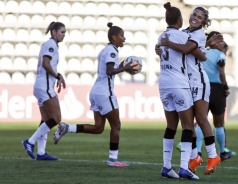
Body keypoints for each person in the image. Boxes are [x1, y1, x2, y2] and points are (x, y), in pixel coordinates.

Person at [52, 22, 138, 167]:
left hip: (96, 91)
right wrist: (126, 67)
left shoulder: (106, 50)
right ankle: (113, 160)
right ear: (114, 37)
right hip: (105, 93)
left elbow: (108, 69)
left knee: (98, 127)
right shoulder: (112, 51)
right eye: (122, 36)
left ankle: (67, 128)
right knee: (116, 125)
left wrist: (122, 66)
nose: (124, 39)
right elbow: (110, 71)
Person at [158, 6, 221, 175]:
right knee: (189, 122)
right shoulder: (185, 32)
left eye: (200, 17)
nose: (195, 18)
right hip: (185, 82)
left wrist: (166, 43)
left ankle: (213, 156)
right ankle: (194, 156)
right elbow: (195, 50)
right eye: (194, 14)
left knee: (200, 118)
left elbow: (189, 50)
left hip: (198, 81)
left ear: (203, 22)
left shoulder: (198, 33)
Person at [158, 2, 204, 180]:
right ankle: (184, 167)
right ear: (179, 20)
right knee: (187, 125)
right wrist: (204, 48)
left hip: (163, 83)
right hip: (179, 83)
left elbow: (161, 51)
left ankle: (166, 167)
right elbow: (197, 53)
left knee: (170, 126)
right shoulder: (182, 36)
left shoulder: (161, 36)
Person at [22, 22, 67, 160]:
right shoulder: (51, 44)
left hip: (41, 85)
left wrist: (57, 76)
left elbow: (47, 64)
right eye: (62, 32)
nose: (64, 35)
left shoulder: (50, 45)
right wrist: (57, 75)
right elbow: (45, 64)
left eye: (65, 32)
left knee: (46, 119)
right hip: (45, 86)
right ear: (54, 32)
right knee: (57, 118)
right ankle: (30, 141)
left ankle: (41, 153)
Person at [197, 32, 233, 161]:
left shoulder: (202, 52)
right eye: (220, 41)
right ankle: (223, 152)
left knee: (202, 120)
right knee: (219, 123)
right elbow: (222, 73)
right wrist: (225, 87)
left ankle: (197, 152)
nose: (222, 43)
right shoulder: (220, 55)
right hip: (217, 90)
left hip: (202, 88)